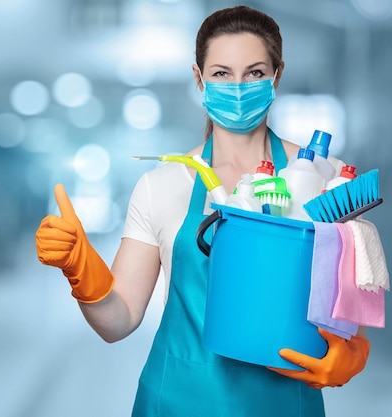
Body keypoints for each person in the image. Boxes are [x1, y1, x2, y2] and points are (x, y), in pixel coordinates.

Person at [36, 5, 370, 416]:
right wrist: (80, 269)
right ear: (199, 78)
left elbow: (352, 307)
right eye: (221, 73)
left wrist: (354, 349)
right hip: (177, 401)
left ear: (276, 76)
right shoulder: (163, 185)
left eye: (254, 72)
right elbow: (118, 321)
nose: (239, 87)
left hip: (286, 404)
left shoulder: (326, 179)